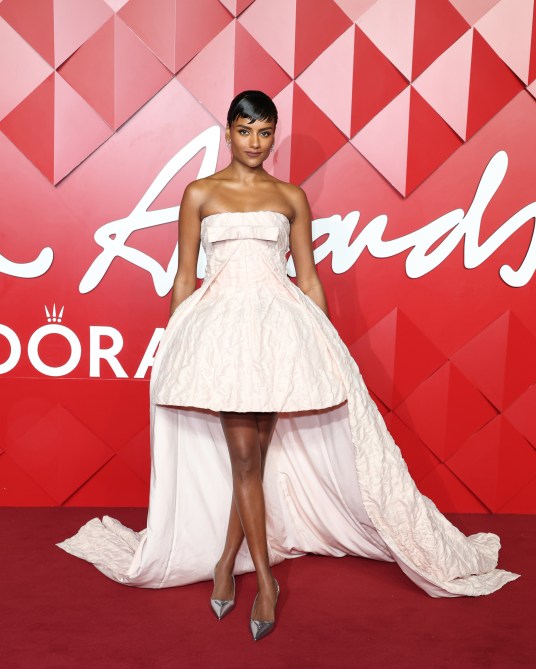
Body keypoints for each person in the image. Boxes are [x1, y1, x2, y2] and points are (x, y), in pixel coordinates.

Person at [57, 90, 519, 642]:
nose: (255, 142)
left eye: (265, 132)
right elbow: (184, 276)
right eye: (245, 130)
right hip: (221, 340)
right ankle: (266, 582)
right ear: (228, 133)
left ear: (273, 135)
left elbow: (309, 278)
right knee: (245, 460)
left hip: (280, 337)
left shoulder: (290, 197)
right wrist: (174, 342)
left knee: (250, 463)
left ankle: (226, 564)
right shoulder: (199, 193)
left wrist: (322, 344)